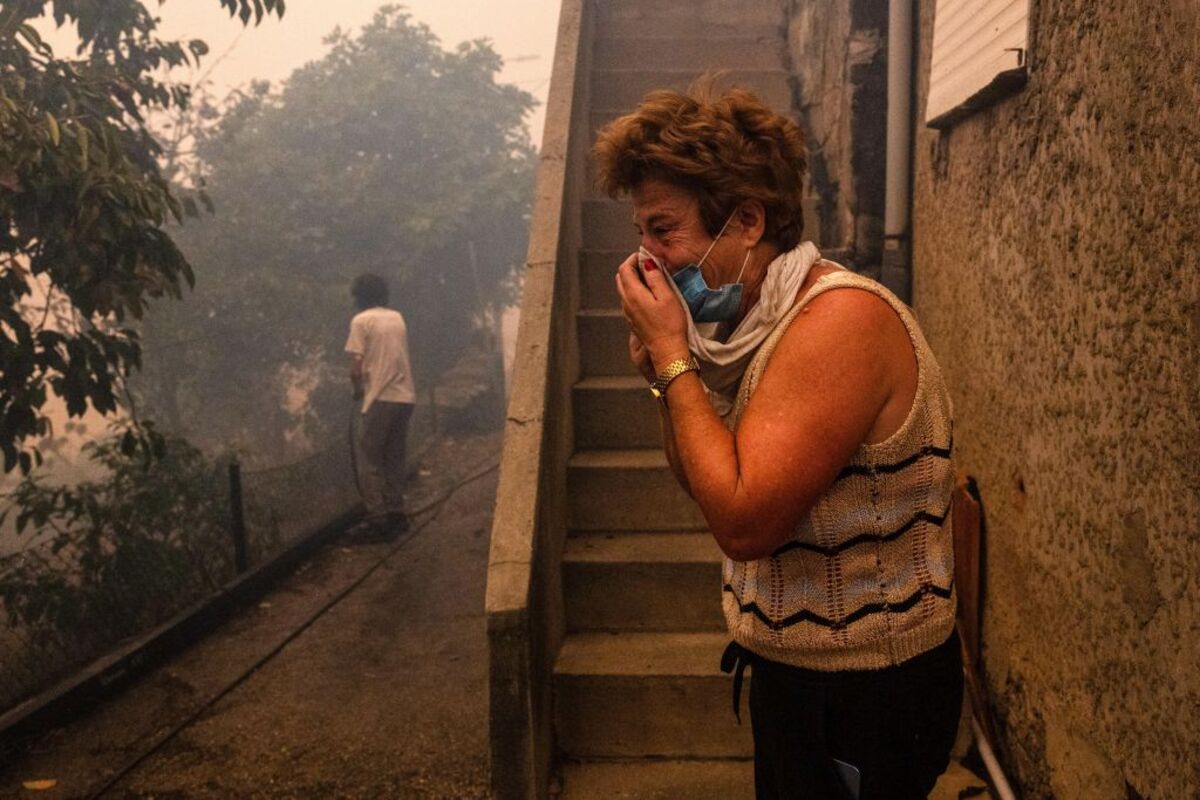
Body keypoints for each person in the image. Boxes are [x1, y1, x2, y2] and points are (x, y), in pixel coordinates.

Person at [594, 85, 962, 799]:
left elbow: (744, 520)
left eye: (664, 231)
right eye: (642, 235)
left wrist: (675, 360)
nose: (650, 261)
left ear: (748, 221)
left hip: (867, 691)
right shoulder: (751, 330)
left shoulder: (837, 321)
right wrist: (670, 380)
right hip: (798, 673)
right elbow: (705, 483)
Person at [346, 273, 416, 538]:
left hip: (380, 398)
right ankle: (396, 513)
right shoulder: (397, 318)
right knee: (395, 457)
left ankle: (377, 520)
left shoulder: (361, 321)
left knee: (369, 458)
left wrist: (357, 392)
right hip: (405, 396)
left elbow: (356, 368)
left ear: (360, 296)